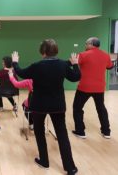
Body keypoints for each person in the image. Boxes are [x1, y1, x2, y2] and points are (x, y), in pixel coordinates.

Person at [12, 39, 80, 175]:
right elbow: (76, 77)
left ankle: (44, 161)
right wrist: (75, 64)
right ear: (56, 51)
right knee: (62, 134)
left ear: (42, 52)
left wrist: (15, 61)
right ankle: (70, 167)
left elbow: (20, 72)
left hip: (39, 105)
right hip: (58, 105)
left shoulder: (36, 66)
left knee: (39, 131)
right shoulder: (62, 65)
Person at [72, 37, 113, 139]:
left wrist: (74, 63)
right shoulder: (105, 55)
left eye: (86, 44)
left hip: (84, 87)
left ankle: (80, 131)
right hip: (99, 88)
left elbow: (75, 65)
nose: (85, 45)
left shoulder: (82, 54)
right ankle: (106, 132)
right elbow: (110, 66)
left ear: (91, 44)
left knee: (77, 108)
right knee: (101, 109)